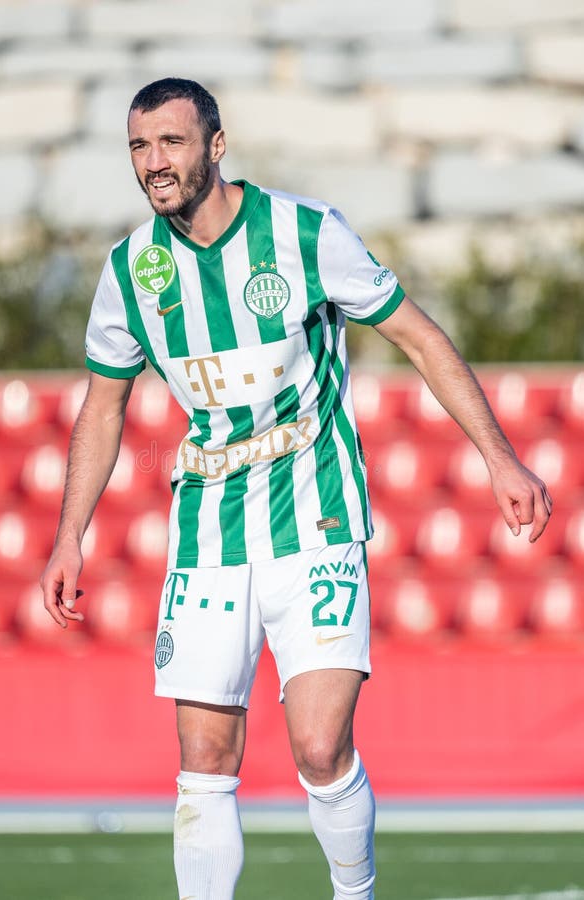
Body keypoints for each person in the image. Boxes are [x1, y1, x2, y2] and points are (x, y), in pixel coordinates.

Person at [40, 77, 552, 899]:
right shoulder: (132, 270)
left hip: (315, 520)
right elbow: (104, 405)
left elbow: (418, 339)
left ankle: (355, 894)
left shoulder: (304, 233)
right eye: (139, 146)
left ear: (215, 144)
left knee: (319, 746)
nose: (154, 163)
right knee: (203, 762)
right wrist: (71, 535)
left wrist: (499, 458)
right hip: (207, 533)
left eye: (171, 142)